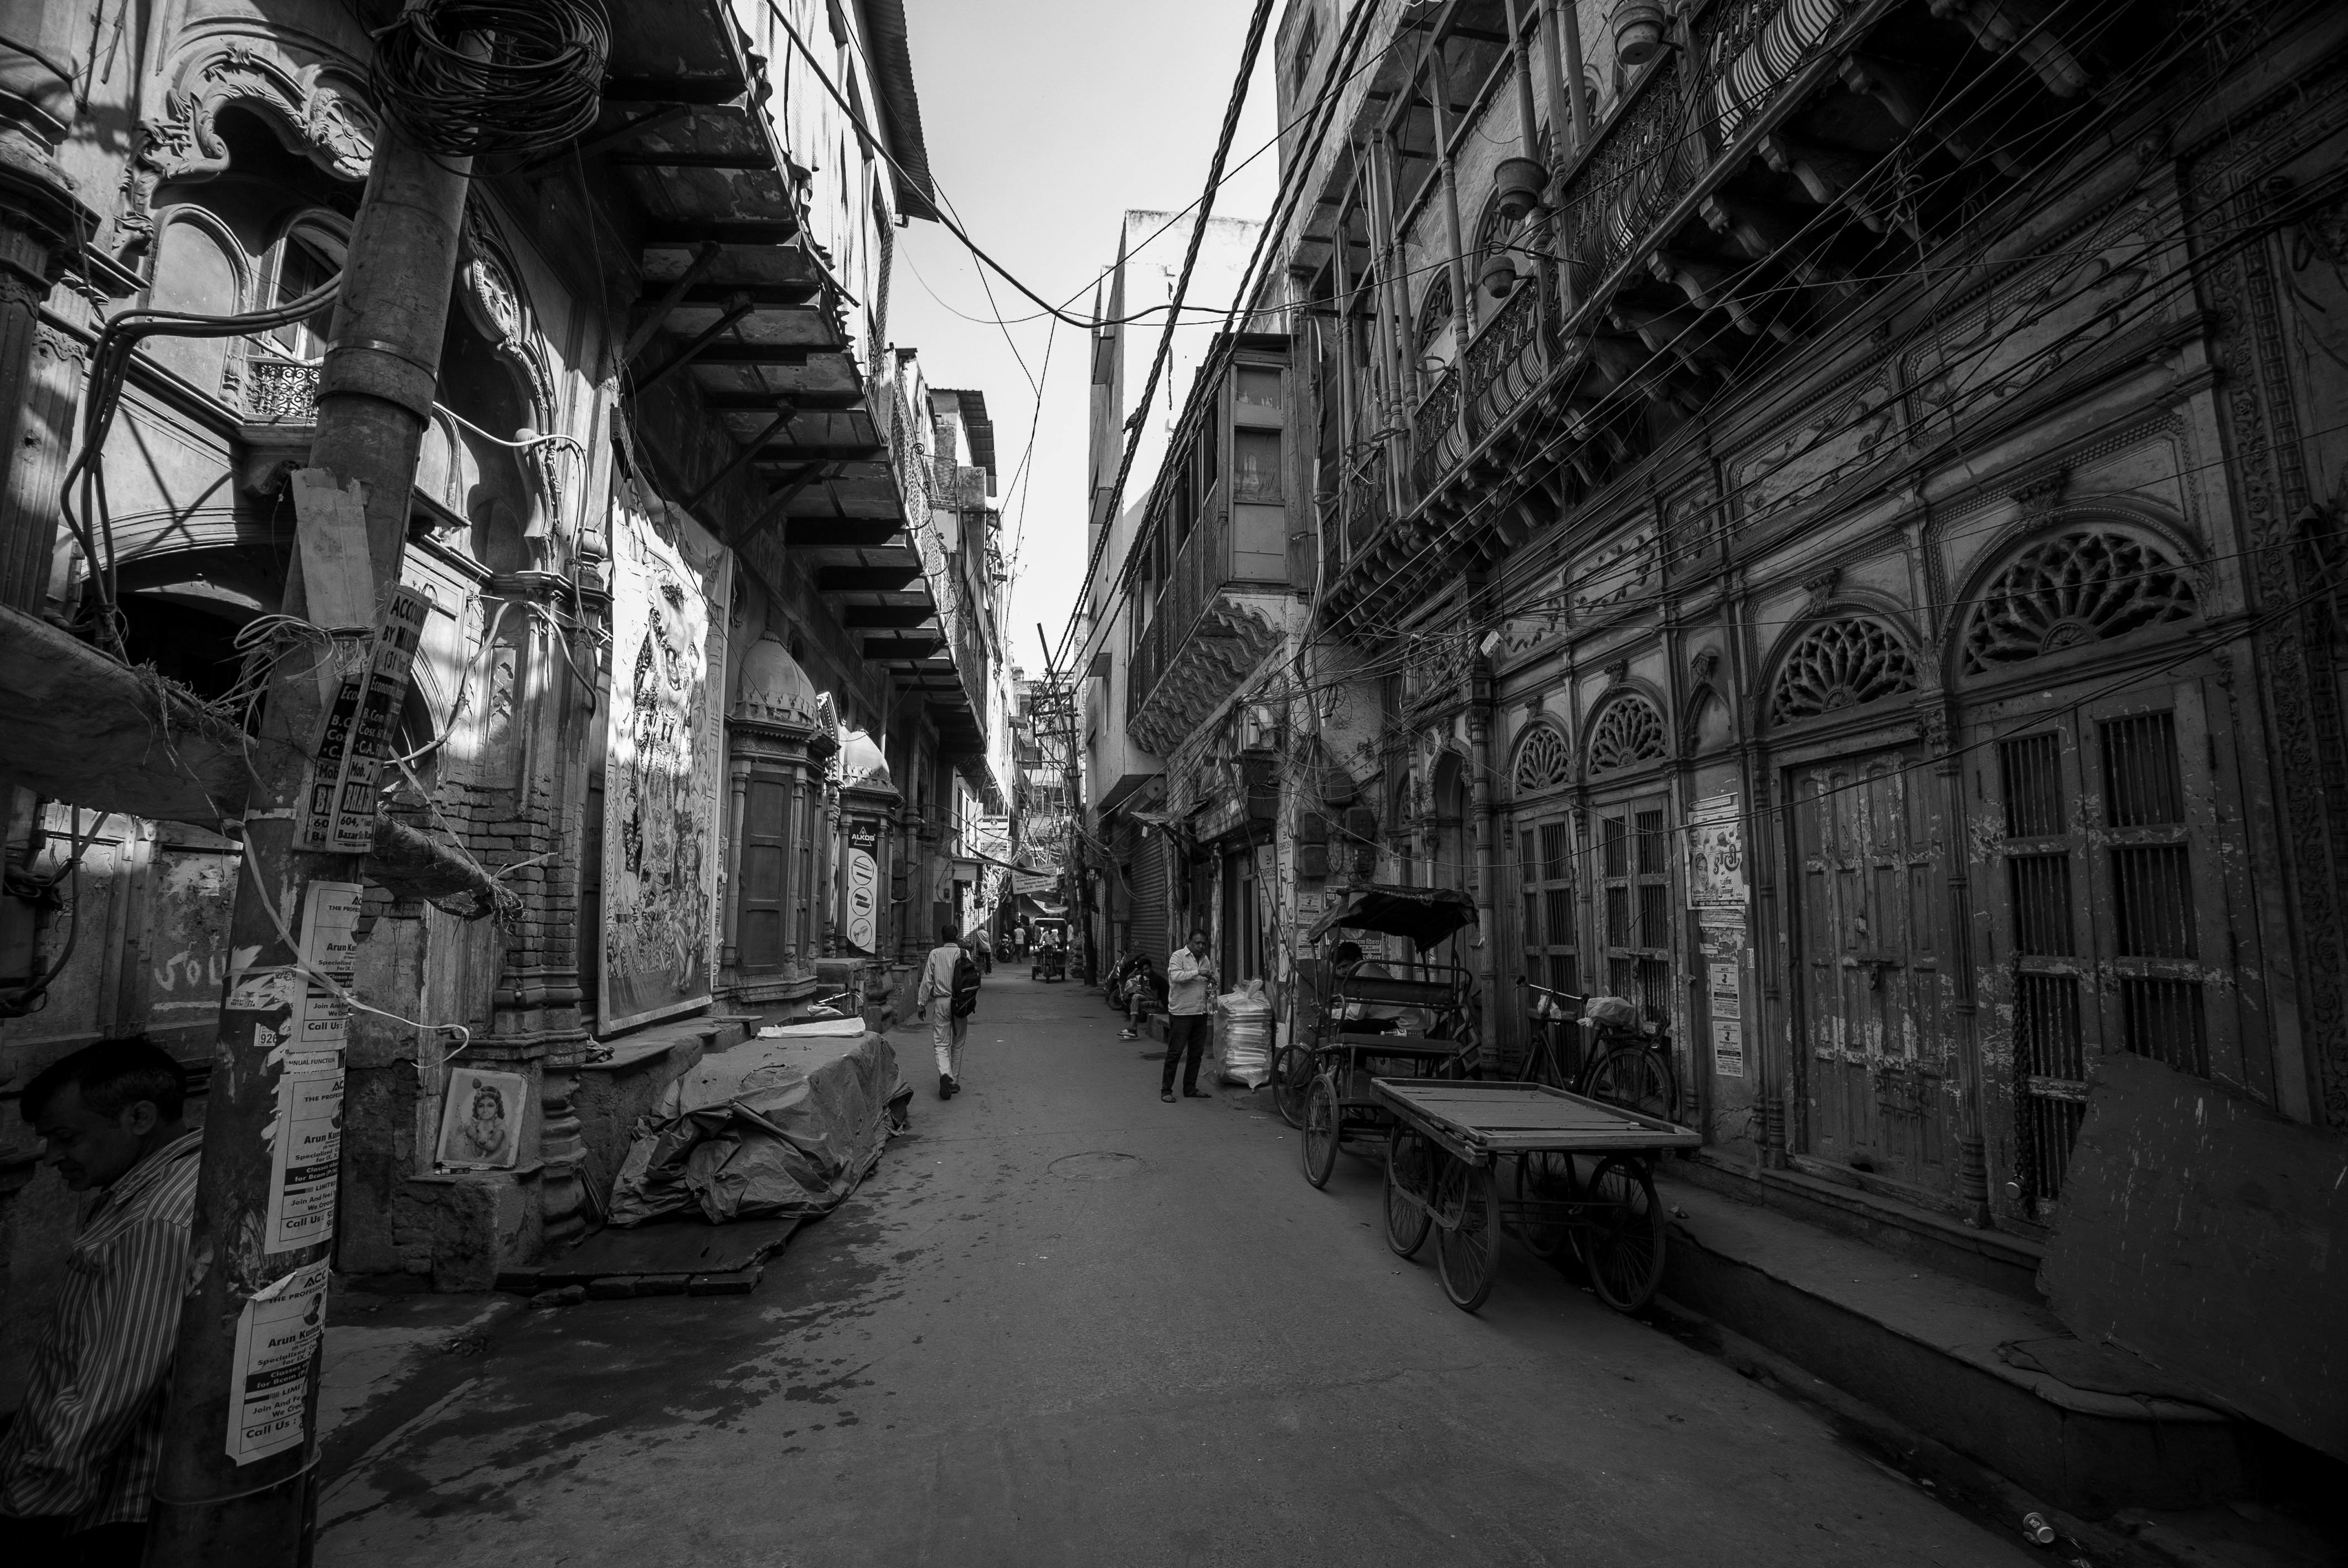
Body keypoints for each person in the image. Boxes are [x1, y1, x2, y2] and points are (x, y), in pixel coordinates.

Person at [1, 1039, 203, 1567]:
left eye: (66, 1138)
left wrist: (33, 1502)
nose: (50, 1159)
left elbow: (110, 1391)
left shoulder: (155, 1220)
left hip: (106, 1509)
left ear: (139, 1117)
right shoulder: (172, 1181)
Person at [915, 922, 977, 1099]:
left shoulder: (935, 954)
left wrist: (922, 1004)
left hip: (942, 1002)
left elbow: (927, 981)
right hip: (961, 1004)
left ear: (942, 938)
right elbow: (970, 980)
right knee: (958, 1042)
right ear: (957, 937)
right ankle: (955, 1082)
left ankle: (945, 1074)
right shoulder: (965, 954)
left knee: (941, 1043)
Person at [1161, 929, 1217, 1102]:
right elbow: (1176, 976)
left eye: (1203, 944)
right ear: (1189, 942)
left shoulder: (1206, 959)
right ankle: (1166, 1090)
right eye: (1197, 943)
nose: (1201, 947)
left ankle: (1190, 1088)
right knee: (1175, 1052)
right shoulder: (1178, 957)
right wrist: (1197, 973)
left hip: (1200, 1012)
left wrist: (1211, 983)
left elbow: (1204, 983)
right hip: (1182, 1013)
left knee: (1196, 1053)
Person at [1118, 955, 1164, 1041]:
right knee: (1136, 997)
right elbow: (1151, 994)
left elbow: (1155, 998)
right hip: (1159, 1001)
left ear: (1151, 968)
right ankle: (1133, 1029)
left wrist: (1142, 992)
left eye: (1147, 969)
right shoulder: (1151, 978)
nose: (1145, 972)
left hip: (1162, 1005)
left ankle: (1133, 1028)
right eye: (1143, 970)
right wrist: (1142, 988)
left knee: (1136, 999)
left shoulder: (1154, 979)